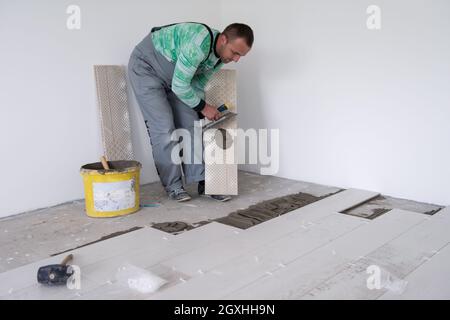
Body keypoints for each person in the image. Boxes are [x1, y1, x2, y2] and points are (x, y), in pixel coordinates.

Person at [128, 22, 253, 202]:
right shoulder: (198, 43)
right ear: (223, 39)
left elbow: (197, 84)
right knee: (163, 127)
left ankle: (203, 181)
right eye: (235, 52)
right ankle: (174, 186)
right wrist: (204, 107)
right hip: (147, 68)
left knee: (190, 123)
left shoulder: (219, 57)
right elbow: (180, 86)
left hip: (176, 78)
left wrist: (200, 110)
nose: (236, 59)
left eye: (241, 56)